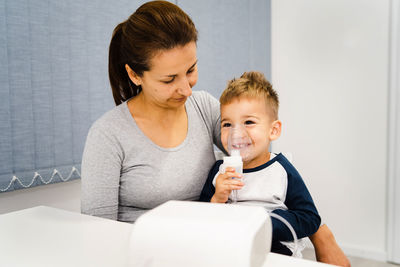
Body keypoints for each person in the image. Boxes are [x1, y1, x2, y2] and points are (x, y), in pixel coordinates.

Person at [80, 1, 350, 266]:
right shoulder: (108, 135)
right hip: (147, 254)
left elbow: (257, 155)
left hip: (210, 246)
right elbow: (97, 232)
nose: (186, 89)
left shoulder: (203, 106)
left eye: (191, 70)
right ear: (135, 75)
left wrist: (321, 233)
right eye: (169, 79)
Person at [199, 71, 321, 256]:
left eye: (248, 122)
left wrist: (264, 222)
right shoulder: (219, 171)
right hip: (229, 247)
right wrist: (217, 199)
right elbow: (200, 217)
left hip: (272, 249)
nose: (236, 133)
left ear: (273, 130)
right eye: (227, 124)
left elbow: (309, 219)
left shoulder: (281, 170)